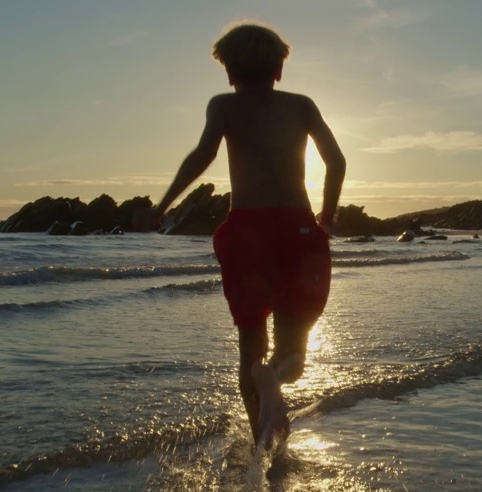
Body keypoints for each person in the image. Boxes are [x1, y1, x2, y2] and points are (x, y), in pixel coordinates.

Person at [135, 22, 346, 451]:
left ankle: (261, 448)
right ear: (279, 70)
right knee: (293, 352)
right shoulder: (302, 105)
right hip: (297, 229)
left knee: (251, 344)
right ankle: (278, 377)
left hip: (248, 231)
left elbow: (203, 155)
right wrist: (327, 214)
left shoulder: (224, 106)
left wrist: (163, 206)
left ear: (229, 72)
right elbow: (336, 161)